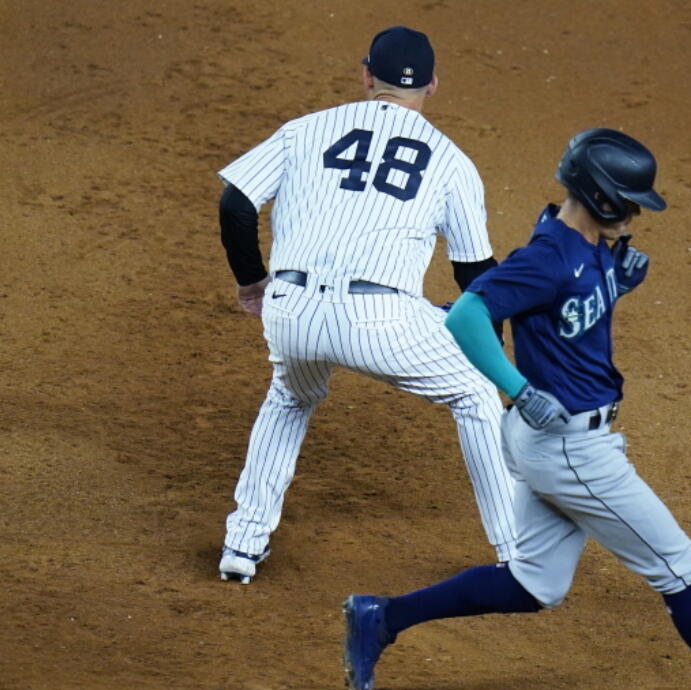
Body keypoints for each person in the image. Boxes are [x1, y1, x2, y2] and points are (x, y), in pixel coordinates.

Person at [342, 129, 691, 690]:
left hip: (556, 444)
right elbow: (467, 315)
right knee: (677, 567)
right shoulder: (549, 257)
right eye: (629, 202)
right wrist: (518, 386)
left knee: (534, 583)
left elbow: (568, 318)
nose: (636, 214)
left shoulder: (590, 248)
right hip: (572, 451)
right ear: (603, 198)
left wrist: (616, 286)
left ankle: (381, 617)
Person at [214, 26, 520, 584]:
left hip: (291, 312)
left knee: (290, 394)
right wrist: (487, 350)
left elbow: (236, 202)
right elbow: (475, 272)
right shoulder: (452, 162)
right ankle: (518, 551)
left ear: (364, 75)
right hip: (382, 322)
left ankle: (242, 544)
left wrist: (251, 282)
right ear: (432, 85)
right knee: (475, 392)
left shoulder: (304, 130)